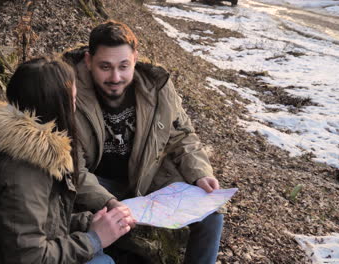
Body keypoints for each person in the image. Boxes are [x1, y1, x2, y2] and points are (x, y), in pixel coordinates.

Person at [63, 20, 223, 264]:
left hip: (146, 177)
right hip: (94, 185)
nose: (115, 77)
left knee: (212, 213)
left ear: (135, 58)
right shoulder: (68, 91)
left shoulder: (157, 86)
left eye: (123, 66)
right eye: (105, 67)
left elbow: (182, 135)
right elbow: (74, 169)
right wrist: (110, 203)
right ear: (88, 60)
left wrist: (199, 173)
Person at [0, 57, 133, 263]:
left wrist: (89, 223)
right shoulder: (26, 172)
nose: (76, 107)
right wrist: (94, 239)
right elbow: (30, 257)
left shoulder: (7, 145)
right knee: (102, 261)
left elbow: (30, 224)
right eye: (74, 100)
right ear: (57, 107)